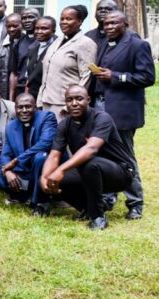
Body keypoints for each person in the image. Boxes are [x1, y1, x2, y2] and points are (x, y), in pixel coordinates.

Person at [40, 85, 137, 230]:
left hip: (120, 173)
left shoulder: (102, 118)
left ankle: (98, 217)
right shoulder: (65, 124)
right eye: (69, 100)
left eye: (79, 99)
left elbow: (91, 149)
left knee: (89, 163)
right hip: (90, 172)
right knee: (57, 179)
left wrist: (60, 169)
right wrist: (45, 177)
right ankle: (88, 208)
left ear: (88, 100)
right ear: (65, 103)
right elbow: (54, 155)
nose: (74, 103)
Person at [89, 10, 155, 220]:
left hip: (122, 111)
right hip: (100, 107)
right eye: (106, 24)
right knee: (103, 154)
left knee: (125, 157)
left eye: (114, 23)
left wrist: (116, 76)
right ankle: (108, 197)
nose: (108, 27)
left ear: (125, 24)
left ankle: (135, 202)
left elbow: (147, 76)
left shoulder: (137, 45)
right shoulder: (103, 45)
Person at [0, 93, 57, 215]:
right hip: (26, 175)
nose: (24, 110)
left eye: (28, 107)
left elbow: (45, 144)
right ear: (15, 109)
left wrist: (16, 161)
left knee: (40, 157)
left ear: (35, 107)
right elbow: (5, 154)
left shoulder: (47, 117)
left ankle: (41, 203)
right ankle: (25, 197)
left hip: (44, 171)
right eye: (20, 107)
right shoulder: (11, 125)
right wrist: (8, 171)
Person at [37, 6, 97, 118]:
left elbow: (86, 76)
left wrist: (72, 103)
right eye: (62, 19)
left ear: (79, 21)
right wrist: (40, 99)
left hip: (65, 105)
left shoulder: (85, 43)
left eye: (69, 19)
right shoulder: (57, 41)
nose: (64, 22)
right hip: (46, 102)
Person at [21, 16, 56, 101]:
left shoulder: (57, 48)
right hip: (33, 95)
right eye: (37, 28)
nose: (39, 32)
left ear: (53, 31)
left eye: (44, 28)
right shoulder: (33, 48)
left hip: (50, 96)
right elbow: (29, 76)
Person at [8, 8, 40, 100]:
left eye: (30, 17)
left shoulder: (49, 41)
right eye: (24, 18)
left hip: (38, 89)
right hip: (20, 89)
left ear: (38, 18)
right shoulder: (18, 43)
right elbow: (14, 73)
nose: (27, 21)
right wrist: (11, 98)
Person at [0, 13, 23, 94]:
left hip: (20, 89)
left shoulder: (26, 44)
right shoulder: (0, 46)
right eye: (8, 26)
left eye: (15, 26)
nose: (12, 29)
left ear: (22, 25)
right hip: (3, 89)